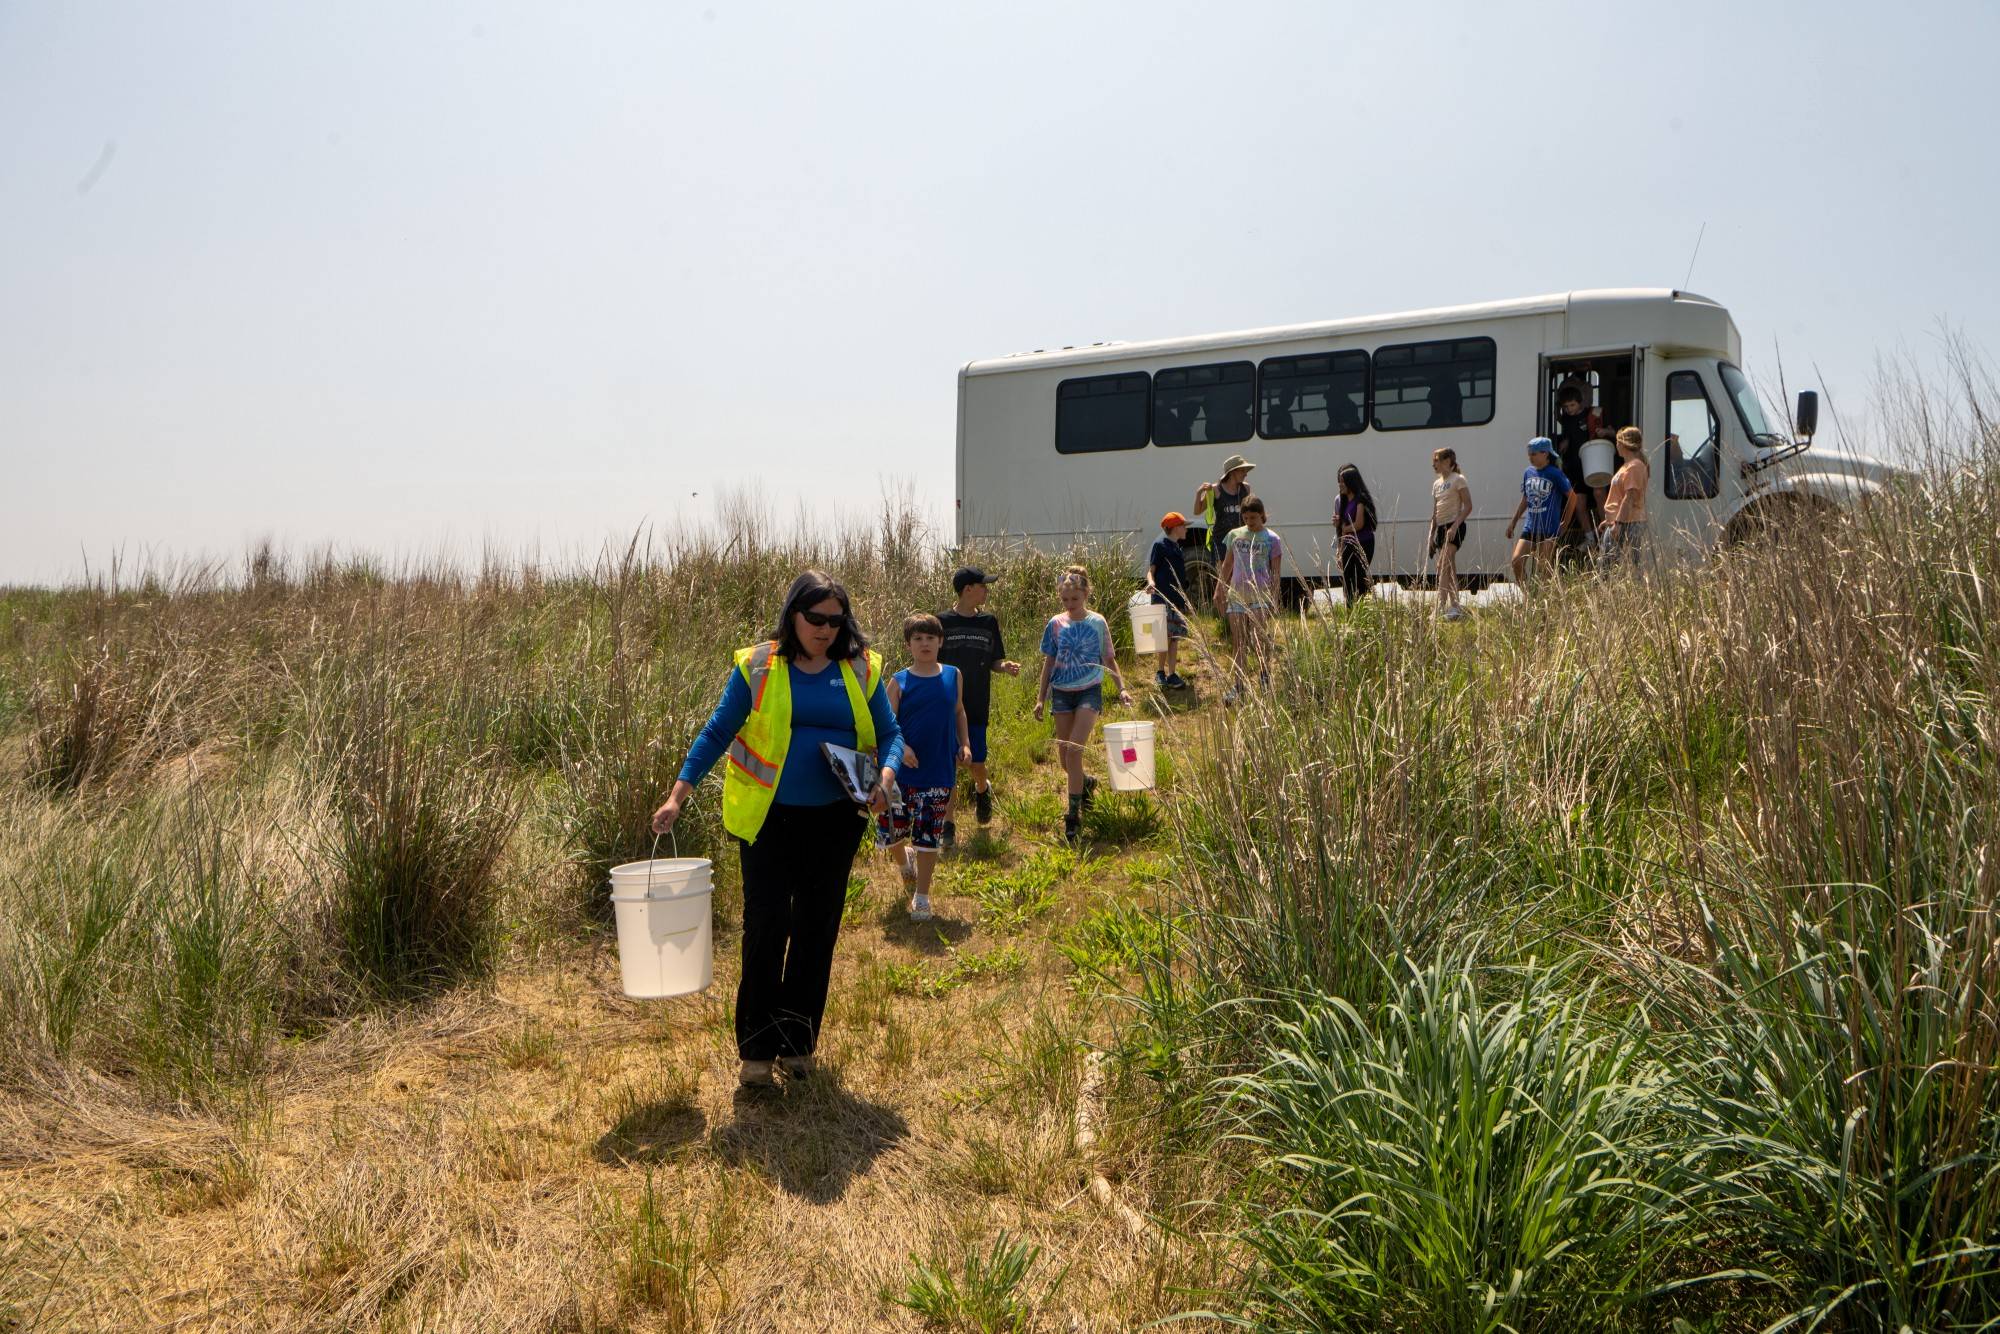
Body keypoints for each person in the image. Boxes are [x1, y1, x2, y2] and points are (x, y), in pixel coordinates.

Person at [651, 571, 903, 1091]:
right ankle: (757, 1054)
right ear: (793, 614)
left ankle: (797, 1043)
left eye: (836, 620)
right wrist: (678, 794)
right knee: (766, 928)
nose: (826, 630)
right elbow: (718, 730)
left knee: (817, 928)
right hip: (767, 820)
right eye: (816, 619)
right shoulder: (759, 666)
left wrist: (885, 774)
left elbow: (891, 734)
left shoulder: (860, 667)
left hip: (836, 820)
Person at [879, 614, 971, 922]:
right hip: (899, 774)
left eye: (930, 638)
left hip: (938, 770)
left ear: (941, 641)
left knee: (928, 835)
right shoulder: (899, 680)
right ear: (909, 645)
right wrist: (901, 749)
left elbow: (959, 711)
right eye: (918, 638)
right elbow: (887, 726)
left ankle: (922, 896)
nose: (925, 643)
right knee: (892, 834)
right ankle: (904, 864)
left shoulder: (953, 675)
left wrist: (965, 743)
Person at [1033, 566, 1132, 844]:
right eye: (1065, 600)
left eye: (1075, 599)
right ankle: (1086, 784)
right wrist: (1041, 698)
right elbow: (1049, 662)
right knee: (1066, 761)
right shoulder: (1055, 624)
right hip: (1062, 693)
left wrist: (1121, 688)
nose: (1070, 605)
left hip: (1089, 690)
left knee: (1075, 752)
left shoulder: (1097, 622)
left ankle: (1073, 816)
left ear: (1086, 594)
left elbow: (1109, 658)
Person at [937, 567, 1019, 844]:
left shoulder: (988, 622)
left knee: (977, 762)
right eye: (982, 586)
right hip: (946, 705)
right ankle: (948, 824)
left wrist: (1004, 666)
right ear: (968, 589)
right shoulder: (941, 623)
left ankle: (982, 790)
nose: (987, 590)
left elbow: (995, 659)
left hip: (977, 702)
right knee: (948, 764)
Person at [1212, 495, 1283, 704]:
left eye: (1253, 517)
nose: (1250, 522)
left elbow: (1276, 572)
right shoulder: (1235, 535)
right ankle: (1238, 685)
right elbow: (1227, 565)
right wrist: (1219, 588)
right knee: (1238, 642)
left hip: (1260, 594)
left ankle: (1264, 676)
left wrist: (1275, 598)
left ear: (1262, 515)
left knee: (1260, 639)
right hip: (1237, 595)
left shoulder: (1272, 539)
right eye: (1246, 517)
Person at [1506, 437, 1578, 588]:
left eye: (1534, 454)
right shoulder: (1528, 472)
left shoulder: (1555, 473)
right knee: (1516, 561)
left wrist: (1565, 521)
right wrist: (1513, 522)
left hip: (1549, 528)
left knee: (1544, 567)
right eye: (1529, 454)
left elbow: (1572, 498)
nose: (1530, 457)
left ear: (1545, 454)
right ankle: (1527, 594)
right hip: (1530, 527)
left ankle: (1548, 598)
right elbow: (1525, 499)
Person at [1146, 513, 1193, 690]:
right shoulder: (1160, 546)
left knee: (1174, 638)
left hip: (1176, 600)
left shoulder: (1177, 547)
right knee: (1163, 636)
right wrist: (1151, 582)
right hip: (1162, 598)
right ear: (1175, 528)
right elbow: (1151, 570)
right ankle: (1160, 672)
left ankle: (1172, 674)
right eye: (1183, 526)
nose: (1186, 529)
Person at [1429, 448, 1473, 620]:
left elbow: (1468, 506)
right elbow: (1435, 512)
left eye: (1437, 460)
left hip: (1455, 526)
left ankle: (1440, 606)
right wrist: (1432, 536)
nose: (1434, 464)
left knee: (1442, 564)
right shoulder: (1436, 484)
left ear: (1448, 461)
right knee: (1450, 566)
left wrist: (1455, 526)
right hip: (1440, 528)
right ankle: (1455, 606)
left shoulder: (1458, 479)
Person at [1598, 426, 1651, 568]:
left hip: (1627, 523)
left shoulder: (1634, 467)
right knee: (1610, 565)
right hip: (1620, 521)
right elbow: (1620, 497)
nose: (1616, 446)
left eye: (1617, 442)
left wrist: (1618, 524)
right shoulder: (1628, 466)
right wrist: (1609, 519)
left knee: (1610, 567)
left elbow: (1629, 498)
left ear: (1623, 444)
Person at [1194, 454, 1255, 569]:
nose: (1246, 474)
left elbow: (1252, 512)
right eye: (1243, 470)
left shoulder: (1246, 488)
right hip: (1221, 542)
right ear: (1232, 472)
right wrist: (1199, 493)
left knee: (1240, 581)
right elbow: (1197, 511)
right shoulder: (1216, 489)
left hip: (1242, 540)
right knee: (1224, 580)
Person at [1334, 464, 1377, 607]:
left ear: (1351, 482)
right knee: (1347, 578)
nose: (1340, 484)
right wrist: (1340, 549)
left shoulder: (1360, 499)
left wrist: (1344, 528)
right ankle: (1350, 609)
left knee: (1359, 578)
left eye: (1342, 481)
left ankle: (1362, 608)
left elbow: (1358, 524)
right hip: (1348, 543)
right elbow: (1343, 527)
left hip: (1363, 543)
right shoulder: (1344, 501)